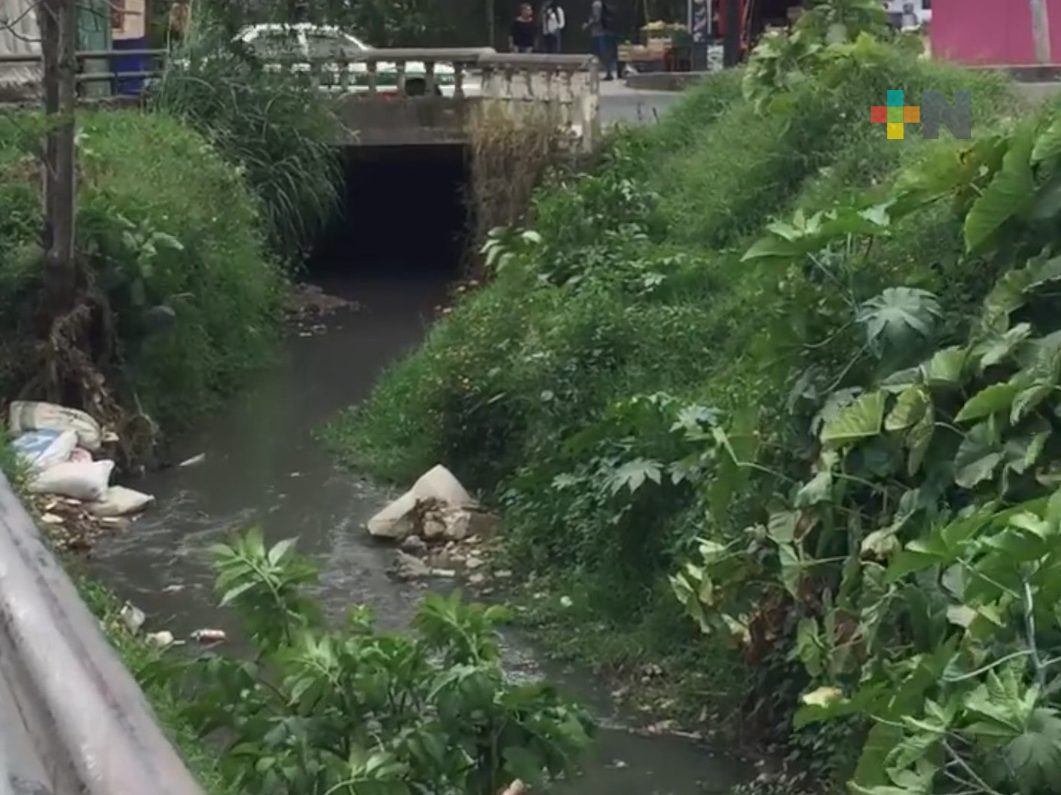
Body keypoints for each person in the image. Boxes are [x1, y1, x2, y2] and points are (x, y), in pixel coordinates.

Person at [583, 0, 616, 80]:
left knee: (600, 53)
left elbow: (596, 18)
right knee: (602, 53)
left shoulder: (596, 4)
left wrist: (587, 25)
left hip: (598, 32)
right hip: (602, 32)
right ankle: (608, 71)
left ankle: (607, 72)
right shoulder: (601, 4)